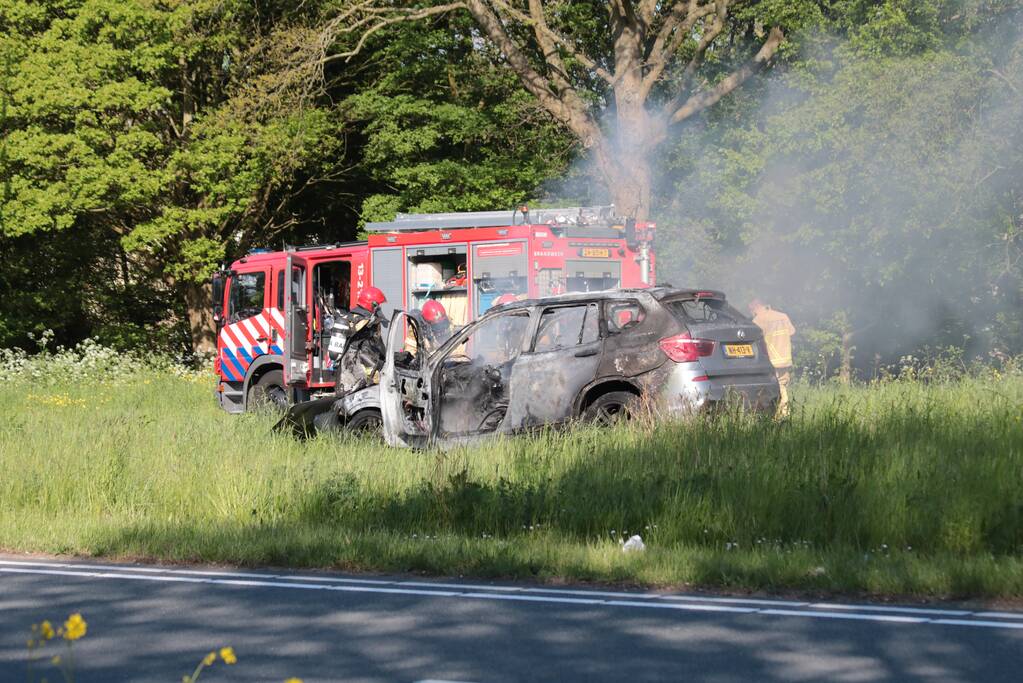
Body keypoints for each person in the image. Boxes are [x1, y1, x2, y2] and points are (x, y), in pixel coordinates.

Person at [333, 286, 388, 395]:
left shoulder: (352, 317)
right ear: (373, 304)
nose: (380, 308)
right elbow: (374, 347)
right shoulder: (365, 321)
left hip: (348, 369)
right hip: (357, 368)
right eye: (378, 305)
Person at [749, 298, 796, 417]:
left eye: (750, 308)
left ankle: (781, 415)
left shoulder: (758, 320)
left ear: (756, 305)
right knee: (782, 385)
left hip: (771, 360)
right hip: (785, 358)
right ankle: (780, 414)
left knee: (775, 389)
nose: (750, 311)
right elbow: (792, 332)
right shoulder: (783, 316)